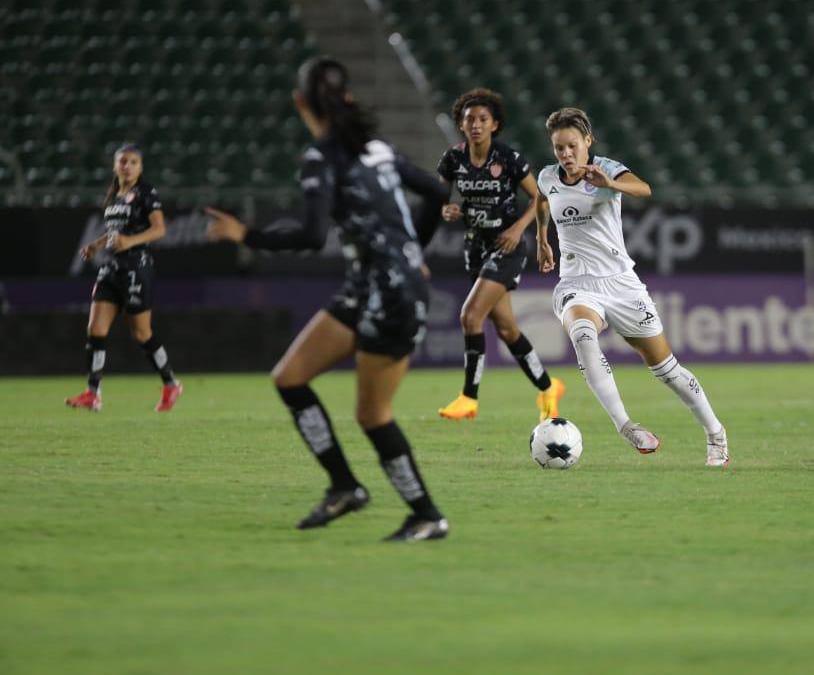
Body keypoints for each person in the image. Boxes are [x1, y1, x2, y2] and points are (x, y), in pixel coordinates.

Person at [205, 56, 451, 542]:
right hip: (370, 286)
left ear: (300, 103)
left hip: (391, 293)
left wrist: (247, 236)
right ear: (346, 98)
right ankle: (344, 486)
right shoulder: (378, 149)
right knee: (290, 378)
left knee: (372, 416)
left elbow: (314, 235)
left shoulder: (321, 159)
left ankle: (427, 515)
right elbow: (435, 191)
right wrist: (410, 250)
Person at [534, 107, 729, 466]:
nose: (566, 155)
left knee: (667, 369)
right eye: (559, 148)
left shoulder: (606, 169)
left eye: (572, 146)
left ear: (588, 142)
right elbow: (542, 200)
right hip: (577, 281)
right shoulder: (548, 176)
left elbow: (643, 188)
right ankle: (625, 425)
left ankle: (716, 433)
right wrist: (541, 239)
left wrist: (610, 184)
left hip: (621, 283)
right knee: (582, 334)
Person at [434, 88, 565, 421]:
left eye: (482, 119)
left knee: (470, 316)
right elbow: (436, 197)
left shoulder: (508, 158)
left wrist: (519, 229)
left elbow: (541, 197)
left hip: (506, 247)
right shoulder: (453, 159)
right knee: (506, 329)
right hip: (476, 247)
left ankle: (469, 397)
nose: (475, 125)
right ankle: (548, 387)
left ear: (494, 125)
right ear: (461, 125)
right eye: (469, 120)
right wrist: (445, 208)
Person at [66, 143, 183, 412]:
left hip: (137, 267)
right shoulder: (115, 195)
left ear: (140, 167)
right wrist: (97, 245)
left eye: (132, 162)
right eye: (122, 162)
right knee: (95, 330)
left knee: (142, 333)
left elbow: (159, 229)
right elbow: (115, 232)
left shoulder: (146, 193)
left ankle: (171, 384)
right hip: (112, 266)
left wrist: (131, 241)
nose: (127, 166)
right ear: (115, 165)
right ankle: (93, 393)